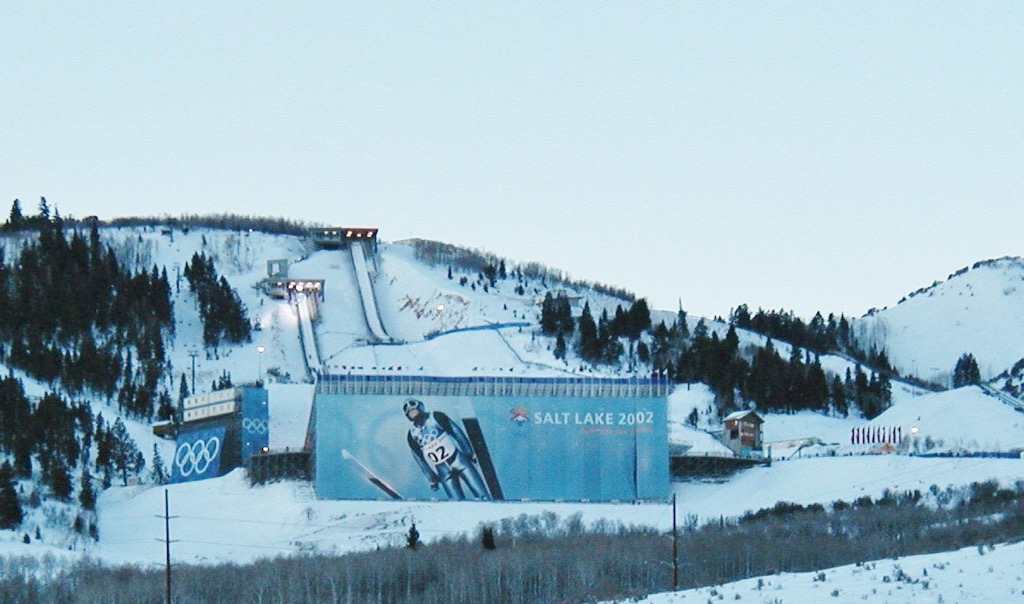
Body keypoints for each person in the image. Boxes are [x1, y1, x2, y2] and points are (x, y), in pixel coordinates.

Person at [403, 398, 489, 500]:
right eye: (407, 409)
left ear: (420, 406)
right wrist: (431, 478)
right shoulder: (412, 434)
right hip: (442, 469)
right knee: (456, 502)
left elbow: (456, 431)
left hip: (458, 460)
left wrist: (469, 452)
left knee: (482, 494)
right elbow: (419, 459)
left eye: (412, 405)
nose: (410, 408)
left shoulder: (435, 417)